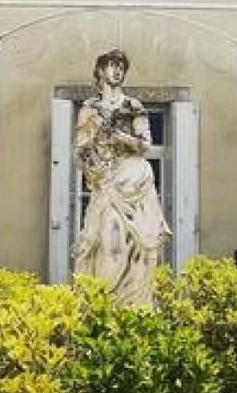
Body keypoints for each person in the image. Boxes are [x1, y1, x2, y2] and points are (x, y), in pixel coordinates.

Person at [72, 48, 170, 305]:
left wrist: (117, 136)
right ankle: (106, 305)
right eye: (112, 65)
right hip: (106, 181)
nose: (117, 70)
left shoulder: (132, 105)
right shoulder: (89, 109)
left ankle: (135, 303)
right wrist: (95, 163)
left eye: (121, 67)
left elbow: (145, 144)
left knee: (140, 249)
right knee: (109, 245)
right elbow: (81, 150)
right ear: (101, 70)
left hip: (133, 177)